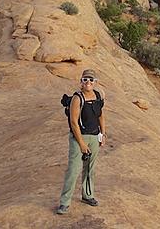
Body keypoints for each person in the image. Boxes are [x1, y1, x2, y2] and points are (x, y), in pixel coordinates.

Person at [57, 69, 106, 215]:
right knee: (74, 169)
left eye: (91, 80)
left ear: (95, 82)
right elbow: (73, 122)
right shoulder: (77, 98)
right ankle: (64, 202)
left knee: (90, 168)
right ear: (81, 82)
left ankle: (88, 195)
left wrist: (102, 134)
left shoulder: (97, 96)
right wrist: (82, 144)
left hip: (94, 137)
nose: (88, 82)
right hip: (80, 138)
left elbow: (101, 115)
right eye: (85, 79)